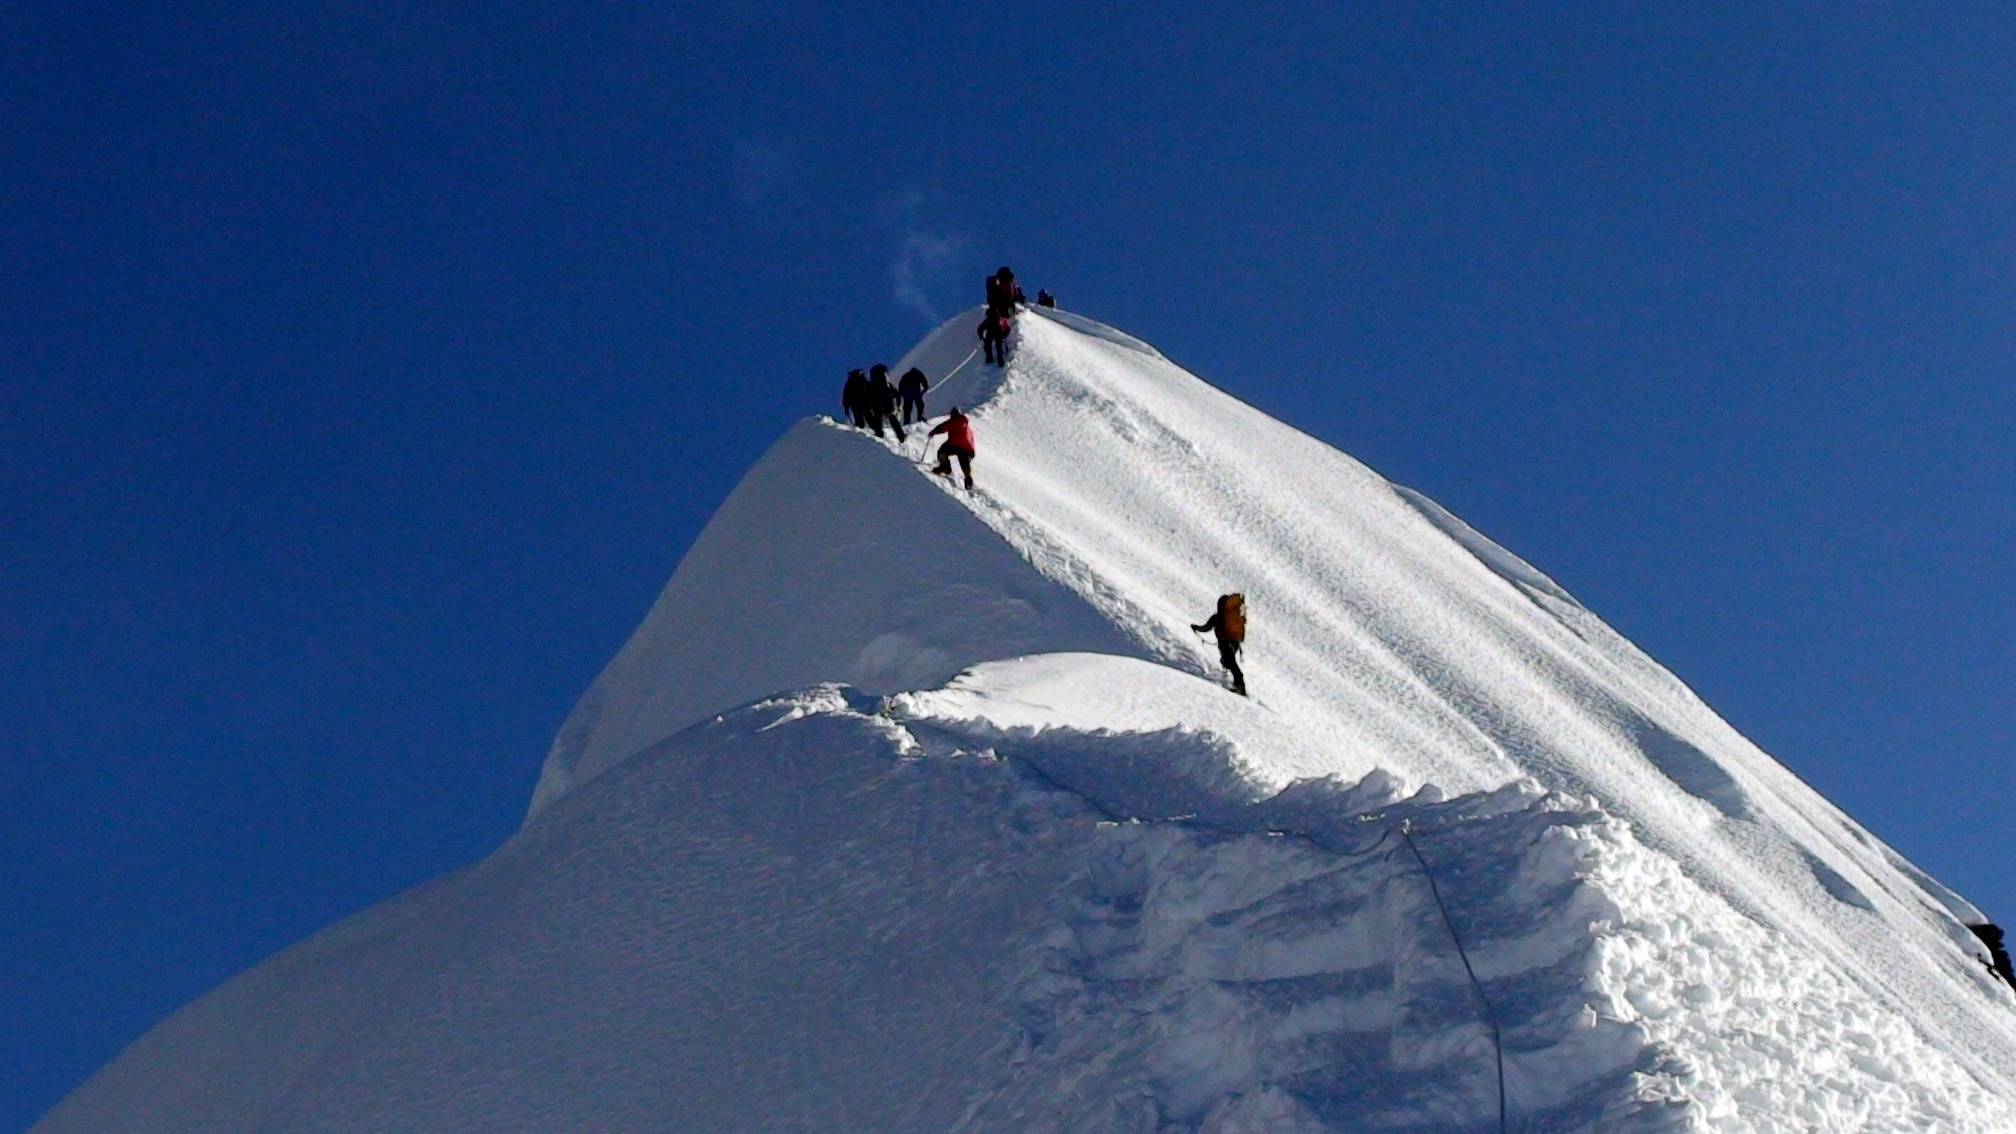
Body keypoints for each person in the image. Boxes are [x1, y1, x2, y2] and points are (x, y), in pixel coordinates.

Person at [1191, 594, 1248, 696]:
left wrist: (1196, 628)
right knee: (1229, 662)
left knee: (1230, 663)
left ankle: (1240, 688)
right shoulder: (1233, 617)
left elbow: (1206, 628)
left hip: (1224, 642)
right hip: (1235, 641)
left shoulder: (1218, 617)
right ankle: (1234, 682)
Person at [929, 406, 976, 489]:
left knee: (942, 451)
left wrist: (934, 431)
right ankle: (968, 482)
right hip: (969, 449)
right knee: (964, 463)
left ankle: (945, 467)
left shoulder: (957, 421)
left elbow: (946, 426)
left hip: (956, 444)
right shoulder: (966, 424)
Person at [869, 363, 905, 441]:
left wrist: (871, 406)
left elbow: (870, 396)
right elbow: (896, 394)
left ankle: (879, 434)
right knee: (892, 418)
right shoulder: (888, 385)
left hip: (877, 404)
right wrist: (898, 404)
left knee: (878, 418)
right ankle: (901, 436)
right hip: (887, 402)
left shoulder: (873, 385)